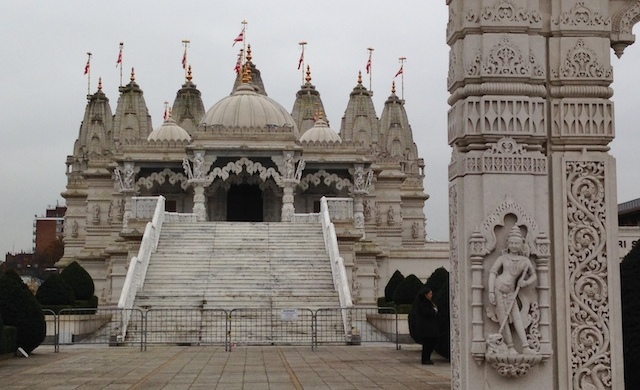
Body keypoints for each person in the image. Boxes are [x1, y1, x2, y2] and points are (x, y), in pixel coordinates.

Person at [488, 226, 537, 355]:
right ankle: (510, 347)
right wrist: (491, 292)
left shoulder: (525, 261)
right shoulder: (503, 258)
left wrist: (525, 282)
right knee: (503, 318)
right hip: (498, 289)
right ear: (508, 244)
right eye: (512, 243)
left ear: (521, 244)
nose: (514, 245)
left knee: (517, 317)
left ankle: (525, 346)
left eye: (517, 243)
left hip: (511, 292)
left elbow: (534, 275)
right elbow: (493, 273)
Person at [409, 286, 439, 364]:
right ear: (425, 295)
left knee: (431, 342)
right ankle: (425, 359)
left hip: (430, 326)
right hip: (425, 327)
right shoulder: (422, 302)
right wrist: (433, 311)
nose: (431, 295)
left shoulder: (429, 302)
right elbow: (425, 312)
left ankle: (427, 358)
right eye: (430, 294)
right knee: (427, 343)